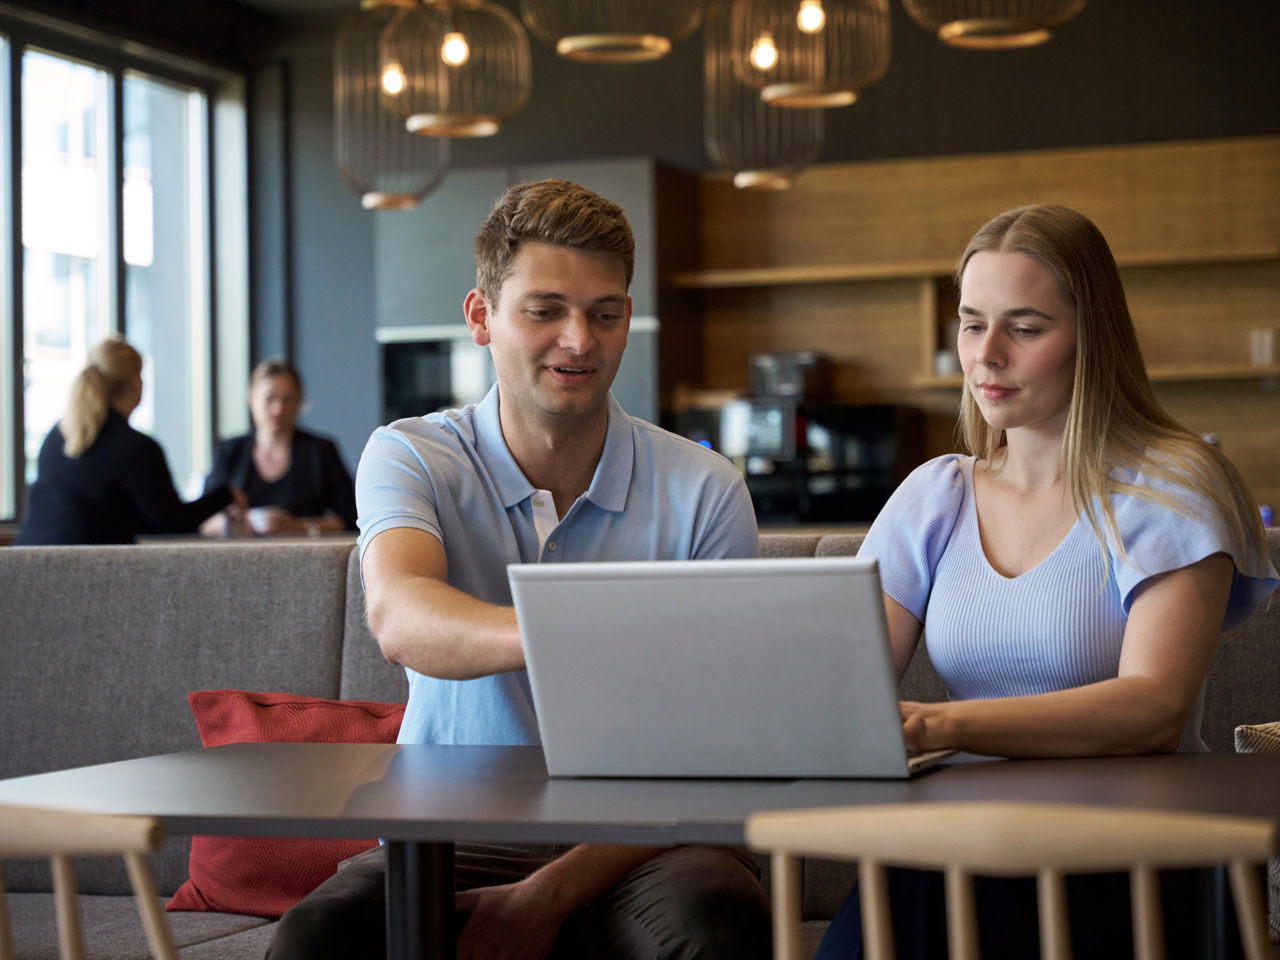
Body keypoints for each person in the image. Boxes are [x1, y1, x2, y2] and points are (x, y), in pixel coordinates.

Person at [267, 179, 769, 960]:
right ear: (482, 318)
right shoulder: (410, 454)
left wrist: (548, 896)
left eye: (605, 314)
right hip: (455, 824)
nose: (580, 340)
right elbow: (401, 615)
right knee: (318, 938)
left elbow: (724, 742)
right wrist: (579, 631)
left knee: (716, 920)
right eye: (545, 311)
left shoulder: (705, 489)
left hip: (649, 833)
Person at [814, 204, 1279, 960]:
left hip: (1125, 850)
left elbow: (1153, 710)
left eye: (1024, 329)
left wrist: (944, 726)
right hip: (961, 841)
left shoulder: (1169, 488)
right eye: (971, 324)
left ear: (1091, 338)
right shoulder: (938, 494)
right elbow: (841, 685)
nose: (985, 356)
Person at [15, 335, 245, 545]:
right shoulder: (137, 450)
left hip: (28, 570)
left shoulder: (58, 436)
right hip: (84, 575)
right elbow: (173, 522)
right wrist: (226, 495)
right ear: (136, 384)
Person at [201, 358, 357, 536]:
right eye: (269, 399)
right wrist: (245, 523)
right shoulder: (229, 451)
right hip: (237, 559)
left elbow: (352, 518)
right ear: (251, 399)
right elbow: (204, 523)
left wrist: (300, 527)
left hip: (306, 557)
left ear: (299, 401)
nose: (278, 409)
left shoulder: (320, 451)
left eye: (287, 399)